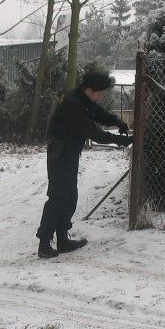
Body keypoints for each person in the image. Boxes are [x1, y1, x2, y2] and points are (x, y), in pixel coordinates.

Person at [36, 69, 133, 258]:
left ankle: (62, 239)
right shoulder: (73, 103)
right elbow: (94, 133)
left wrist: (118, 122)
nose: (101, 96)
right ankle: (44, 243)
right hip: (60, 153)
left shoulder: (83, 99)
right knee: (58, 197)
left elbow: (99, 113)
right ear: (89, 90)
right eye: (99, 93)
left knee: (70, 196)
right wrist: (121, 140)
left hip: (69, 152)